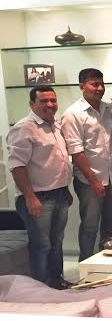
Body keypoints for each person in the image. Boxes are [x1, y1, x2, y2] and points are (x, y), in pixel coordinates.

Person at [6, 86, 73, 288]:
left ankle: (56, 282)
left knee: (56, 241)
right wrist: (30, 197)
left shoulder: (55, 126)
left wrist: (65, 190)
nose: (50, 104)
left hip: (59, 194)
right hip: (38, 197)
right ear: (31, 104)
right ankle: (39, 288)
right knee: (41, 245)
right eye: (44, 101)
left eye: (53, 100)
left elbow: (57, 161)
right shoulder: (24, 128)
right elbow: (17, 166)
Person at [61, 68, 112, 261]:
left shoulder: (110, 109)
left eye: (101, 84)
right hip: (89, 180)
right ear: (82, 86)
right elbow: (76, 152)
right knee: (90, 225)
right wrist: (94, 180)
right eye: (94, 84)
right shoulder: (73, 114)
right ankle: (86, 264)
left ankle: (108, 263)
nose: (100, 88)